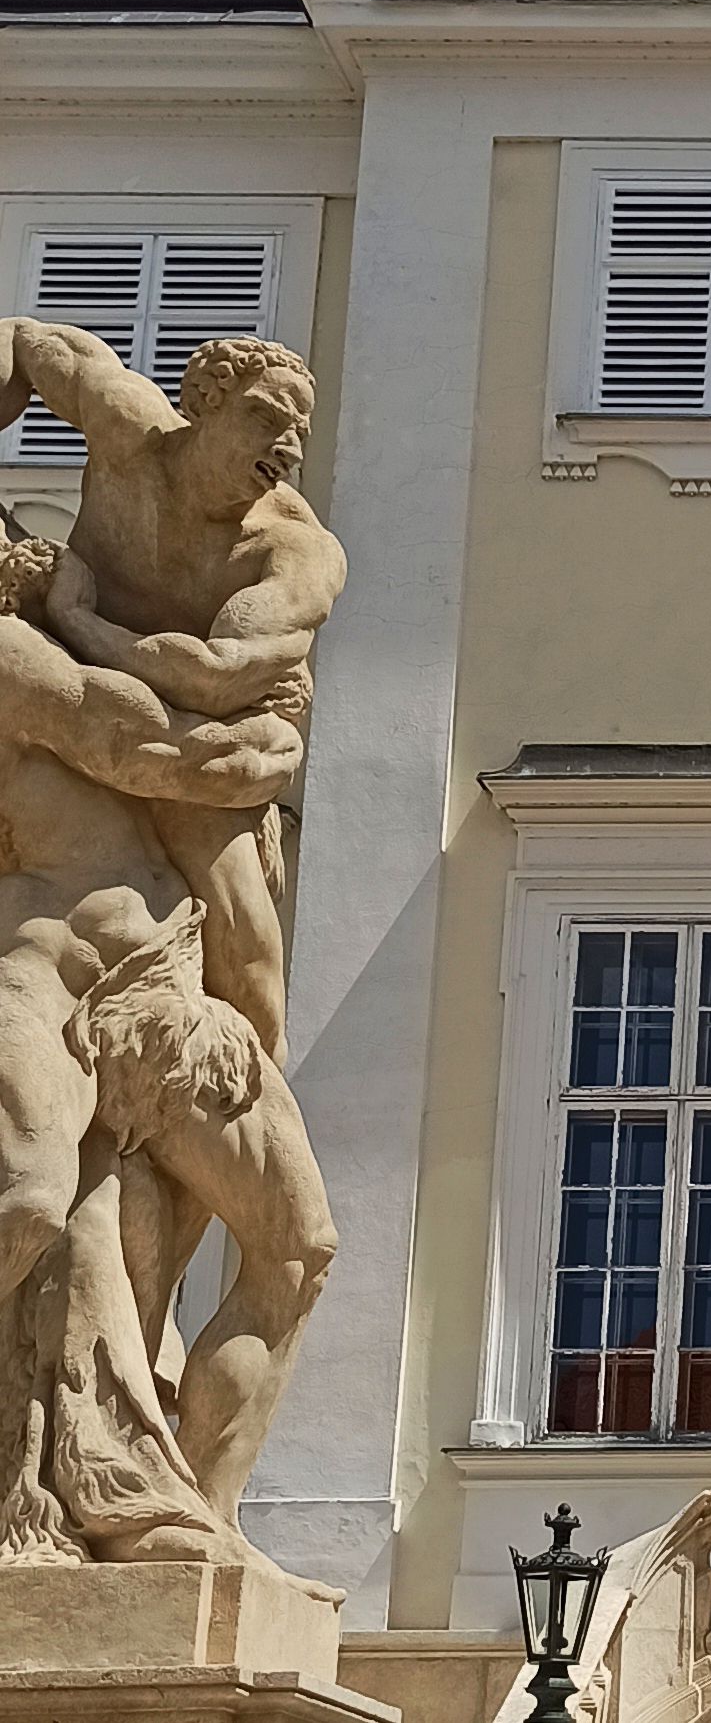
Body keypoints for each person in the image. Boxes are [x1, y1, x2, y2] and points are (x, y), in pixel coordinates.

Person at [0, 538, 333, 1561]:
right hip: (49, 980)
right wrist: (260, 735)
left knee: (295, 1243)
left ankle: (189, 1505)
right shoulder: (16, 660)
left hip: (169, 983)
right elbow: (131, 740)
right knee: (28, 1205)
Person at [0, 322, 344, 1063]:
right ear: (206, 401)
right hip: (62, 692)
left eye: (298, 433)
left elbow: (216, 674)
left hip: (195, 747)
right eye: (266, 419)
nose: (286, 447)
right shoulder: (127, 431)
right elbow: (26, 341)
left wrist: (73, 617)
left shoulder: (292, 549)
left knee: (253, 980)